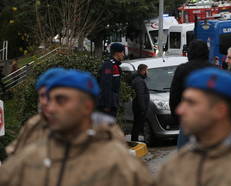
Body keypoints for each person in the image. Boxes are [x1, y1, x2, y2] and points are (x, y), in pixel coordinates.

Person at [0, 69, 153, 186]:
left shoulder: (116, 161)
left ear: (87, 106)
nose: (49, 107)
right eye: (45, 98)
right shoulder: (33, 149)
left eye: (61, 100)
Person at [5, 68, 64, 156]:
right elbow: (14, 152)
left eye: (50, 95)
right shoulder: (33, 124)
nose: (44, 101)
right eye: (42, 95)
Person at [170, 39, 213, 148]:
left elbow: (174, 97)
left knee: (185, 158)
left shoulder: (182, 70)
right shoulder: (214, 69)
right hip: (210, 121)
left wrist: (179, 119)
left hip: (189, 120)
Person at [97, 42, 125, 117]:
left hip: (112, 103)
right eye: (122, 52)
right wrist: (107, 105)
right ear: (117, 53)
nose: (123, 54)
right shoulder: (109, 65)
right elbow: (106, 84)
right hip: (108, 105)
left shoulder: (115, 65)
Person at [131, 64, 149, 142]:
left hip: (138, 107)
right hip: (139, 108)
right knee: (137, 125)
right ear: (143, 71)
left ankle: (135, 140)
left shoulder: (138, 79)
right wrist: (143, 108)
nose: (147, 72)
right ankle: (135, 141)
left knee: (138, 125)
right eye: (146, 70)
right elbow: (140, 95)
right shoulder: (139, 81)